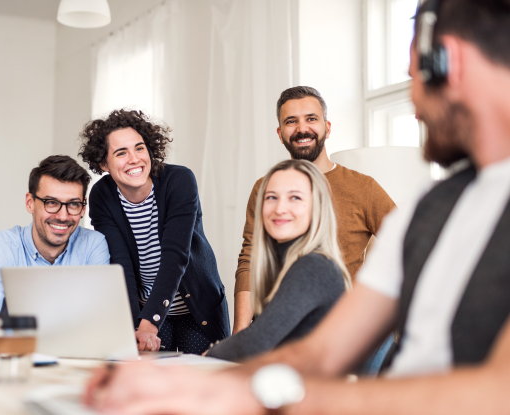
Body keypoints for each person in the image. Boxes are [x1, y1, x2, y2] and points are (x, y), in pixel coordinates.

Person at [83, 0, 510, 414]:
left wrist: (257, 398)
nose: (414, 105)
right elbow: (321, 352)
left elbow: (497, 394)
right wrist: (193, 383)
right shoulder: (430, 210)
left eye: (414, 76)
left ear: (447, 60)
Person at [233, 86, 396, 335]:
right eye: (291, 121)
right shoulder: (266, 188)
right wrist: (241, 330)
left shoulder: (364, 188)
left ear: (327, 127)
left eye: (311, 118)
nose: (301, 129)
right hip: (274, 326)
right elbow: (250, 259)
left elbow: (405, 243)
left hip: (338, 330)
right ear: (280, 133)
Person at [79, 109, 230, 354]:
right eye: (121, 152)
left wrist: (149, 323)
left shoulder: (179, 180)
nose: (134, 159)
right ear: (104, 163)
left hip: (197, 309)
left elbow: (175, 256)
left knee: (201, 382)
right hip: (145, 311)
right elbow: (120, 265)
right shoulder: (102, 196)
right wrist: (134, 326)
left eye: (139, 148)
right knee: (151, 384)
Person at [205, 159, 350, 362]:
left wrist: (209, 356)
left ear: (316, 207)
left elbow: (255, 343)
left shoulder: (313, 266)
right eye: (271, 197)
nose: (280, 208)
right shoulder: (286, 264)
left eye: (295, 198)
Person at [0, 155, 110, 321]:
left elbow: (98, 322)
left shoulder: (93, 246)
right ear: (30, 203)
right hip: (15, 347)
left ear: (83, 208)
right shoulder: (0, 248)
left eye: (73, 204)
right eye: (51, 203)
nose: (63, 216)